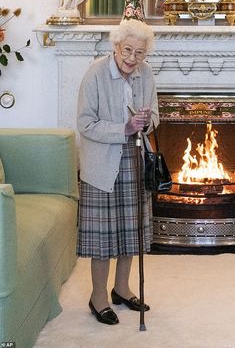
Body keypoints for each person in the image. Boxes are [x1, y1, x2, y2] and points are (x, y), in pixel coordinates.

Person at [77, 19, 159, 325]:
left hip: (135, 159)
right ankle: (98, 297)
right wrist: (123, 127)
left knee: (130, 230)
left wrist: (146, 121)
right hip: (102, 163)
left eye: (139, 53)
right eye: (128, 50)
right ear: (116, 46)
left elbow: (155, 118)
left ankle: (122, 289)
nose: (132, 58)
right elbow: (85, 123)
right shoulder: (96, 73)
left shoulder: (146, 73)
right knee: (103, 237)